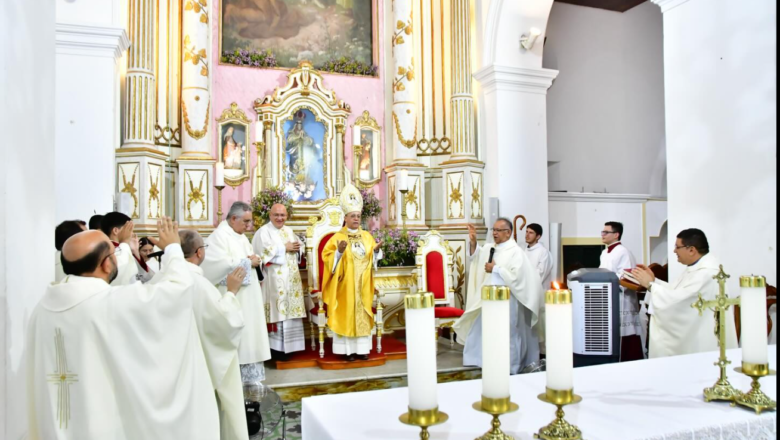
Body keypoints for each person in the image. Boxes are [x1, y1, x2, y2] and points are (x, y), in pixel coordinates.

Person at [27, 218, 220, 439]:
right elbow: (178, 291)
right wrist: (174, 249)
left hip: (55, 421)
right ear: (106, 264)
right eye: (114, 252)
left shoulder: (41, 309)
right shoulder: (111, 303)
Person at [180, 229, 248, 440]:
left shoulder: (168, 278)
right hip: (203, 357)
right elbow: (226, 321)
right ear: (199, 252)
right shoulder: (199, 284)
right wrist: (231, 292)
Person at [632, 228, 738, 358]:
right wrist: (654, 282)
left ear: (692, 250)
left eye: (677, 247)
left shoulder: (707, 274)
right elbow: (678, 292)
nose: (674, 251)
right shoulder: (696, 269)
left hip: (703, 341)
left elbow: (680, 301)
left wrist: (650, 285)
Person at [453, 220, 542, 374]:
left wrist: (496, 269)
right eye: (493, 230)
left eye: (499, 230)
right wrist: (473, 242)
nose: (494, 233)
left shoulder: (515, 251)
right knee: (484, 329)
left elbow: (517, 276)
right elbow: (476, 257)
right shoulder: (490, 248)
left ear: (508, 232)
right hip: (489, 298)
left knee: (508, 332)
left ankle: (511, 365)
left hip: (508, 299)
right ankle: (482, 360)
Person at [201, 201, 271, 384]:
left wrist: (255, 260)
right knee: (240, 342)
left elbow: (246, 260)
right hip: (235, 299)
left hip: (249, 299)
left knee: (251, 338)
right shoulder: (219, 237)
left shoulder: (239, 235)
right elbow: (215, 266)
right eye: (246, 222)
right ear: (233, 219)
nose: (250, 226)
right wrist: (248, 262)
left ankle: (251, 387)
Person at [321, 180, 383, 361]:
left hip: (363, 285)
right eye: (352, 216)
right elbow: (328, 261)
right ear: (345, 218)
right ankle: (346, 351)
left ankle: (362, 349)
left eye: (358, 215)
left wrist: (377, 251)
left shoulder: (367, 236)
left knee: (362, 313)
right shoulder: (337, 238)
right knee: (346, 314)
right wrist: (339, 252)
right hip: (344, 286)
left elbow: (373, 260)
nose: (356, 219)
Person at [252, 203, 307, 358]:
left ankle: (291, 347)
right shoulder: (263, 232)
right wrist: (284, 247)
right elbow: (262, 253)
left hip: (291, 280)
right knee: (278, 313)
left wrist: (299, 247)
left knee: (290, 312)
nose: (279, 218)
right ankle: (276, 349)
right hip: (274, 280)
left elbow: (297, 248)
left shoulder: (289, 231)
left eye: (282, 215)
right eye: (276, 215)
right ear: (270, 215)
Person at [599, 221, 645, 361]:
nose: (603, 234)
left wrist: (609, 278)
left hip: (622, 299)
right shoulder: (604, 252)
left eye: (606, 232)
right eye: (602, 232)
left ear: (616, 234)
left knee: (625, 334)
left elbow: (627, 277)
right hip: (608, 297)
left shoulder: (623, 252)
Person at [524, 223, 552, 354]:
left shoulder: (543, 252)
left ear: (538, 236)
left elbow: (540, 273)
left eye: (531, 233)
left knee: (540, 326)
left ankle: (543, 355)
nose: (527, 235)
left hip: (538, 293)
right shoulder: (524, 251)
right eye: (527, 231)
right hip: (526, 293)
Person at [99, 212, 140, 285]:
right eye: (129, 229)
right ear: (115, 231)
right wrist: (125, 242)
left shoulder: (124, 248)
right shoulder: (107, 250)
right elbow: (119, 271)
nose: (132, 233)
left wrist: (135, 251)